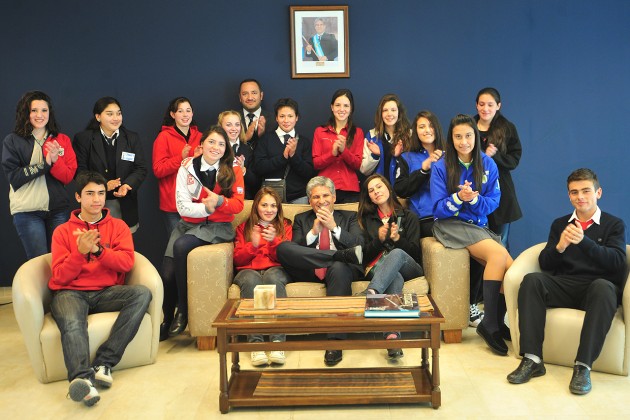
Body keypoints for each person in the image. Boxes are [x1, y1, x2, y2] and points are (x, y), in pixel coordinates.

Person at [507, 168, 626, 395]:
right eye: (574, 192)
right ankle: (532, 360)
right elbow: (546, 263)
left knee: (603, 287)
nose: (580, 197)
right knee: (532, 280)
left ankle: (583, 367)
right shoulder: (560, 224)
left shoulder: (614, 224)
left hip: (598, 288)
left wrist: (584, 242)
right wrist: (560, 246)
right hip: (566, 284)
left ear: (598, 192)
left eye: (585, 191)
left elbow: (618, 262)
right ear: (569, 196)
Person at [49, 171, 151, 407]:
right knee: (74, 324)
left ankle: (104, 362)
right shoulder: (62, 232)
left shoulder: (119, 227)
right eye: (90, 194)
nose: (96, 199)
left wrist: (98, 251)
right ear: (78, 197)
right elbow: (60, 276)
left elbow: (127, 263)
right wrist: (80, 252)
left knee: (142, 293)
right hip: (69, 292)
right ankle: (82, 381)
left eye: (101, 193)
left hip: (106, 291)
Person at [431, 114, 512, 356]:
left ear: (475, 137)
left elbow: (493, 204)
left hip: (477, 225)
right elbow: (436, 208)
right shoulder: (440, 166)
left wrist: (474, 199)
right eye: (458, 137)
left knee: (512, 268)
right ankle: (489, 324)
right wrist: (458, 198)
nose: (463, 141)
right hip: (450, 224)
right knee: (498, 255)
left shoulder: (488, 164)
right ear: (451, 139)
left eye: (468, 135)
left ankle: (496, 323)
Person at [164, 125, 244, 338]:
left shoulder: (233, 168)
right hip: (187, 224)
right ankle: (166, 319)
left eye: (221, 144)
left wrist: (219, 201)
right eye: (211, 142)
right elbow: (182, 206)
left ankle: (183, 311)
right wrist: (206, 208)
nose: (216, 147)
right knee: (167, 272)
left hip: (217, 227)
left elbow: (238, 205)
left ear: (226, 148)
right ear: (202, 144)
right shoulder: (187, 166)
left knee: (181, 246)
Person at [276, 176, 363, 366]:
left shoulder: (349, 216)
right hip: (309, 270)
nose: (321, 201)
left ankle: (334, 342)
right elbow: (295, 249)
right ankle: (335, 256)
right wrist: (313, 233)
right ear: (309, 201)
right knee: (283, 248)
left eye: (325, 195)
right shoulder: (301, 219)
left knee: (339, 266)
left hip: (340, 272)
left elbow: (358, 246)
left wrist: (334, 227)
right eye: (316, 197)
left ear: (334, 197)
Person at [2, 90, 77, 259]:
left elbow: (68, 177)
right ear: (25, 113)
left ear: (50, 113)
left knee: (61, 260)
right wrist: (45, 164)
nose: (39, 115)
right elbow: (14, 177)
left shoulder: (62, 139)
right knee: (39, 264)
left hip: (58, 210)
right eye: (34, 110)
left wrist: (56, 162)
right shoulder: (12, 140)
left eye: (44, 110)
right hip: (28, 212)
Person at [356, 174, 423, 359]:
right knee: (395, 278)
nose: (376, 192)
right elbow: (364, 257)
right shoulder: (366, 220)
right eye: (371, 190)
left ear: (388, 188)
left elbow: (416, 253)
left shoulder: (408, 216)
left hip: (410, 266)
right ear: (369, 197)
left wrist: (397, 240)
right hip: (378, 268)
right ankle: (392, 337)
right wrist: (379, 240)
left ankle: (371, 292)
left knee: (397, 253)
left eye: (379, 187)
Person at [233, 187, 293, 366]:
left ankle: (277, 343)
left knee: (272, 279)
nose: (269, 209)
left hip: (276, 268)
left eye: (273, 205)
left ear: (279, 208)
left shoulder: (285, 226)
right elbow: (237, 259)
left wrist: (274, 241)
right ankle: (256, 344)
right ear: (256, 206)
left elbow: (288, 256)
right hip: (248, 270)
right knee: (251, 281)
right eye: (264, 205)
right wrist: (253, 245)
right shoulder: (244, 227)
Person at [73, 97, 148, 233]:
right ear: (98, 117)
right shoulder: (84, 139)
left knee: (123, 246)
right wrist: (103, 185)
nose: (116, 118)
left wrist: (127, 185)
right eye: (110, 114)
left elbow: (140, 168)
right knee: (98, 246)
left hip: (126, 203)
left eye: (118, 113)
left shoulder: (131, 138)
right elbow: (80, 171)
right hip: (96, 202)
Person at [474, 87, 522, 250]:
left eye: (490, 104)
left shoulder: (507, 128)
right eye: (481, 104)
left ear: (498, 106)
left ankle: (504, 276)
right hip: (475, 192)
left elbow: (514, 160)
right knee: (479, 243)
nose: (485, 109)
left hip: (501, 193)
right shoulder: (468, 127)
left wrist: (495, 156)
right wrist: (483, 157)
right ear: (476, 105)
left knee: (500, 242)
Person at [152, 97, 203, 236]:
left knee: (196, 248)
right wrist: (181, 158)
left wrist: (199, 159)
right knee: (177, 246)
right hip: (173, 205)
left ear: (193, 113)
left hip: (197, 202)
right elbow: (158, 170)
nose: (185, 115)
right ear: (172, 114)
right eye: (180, 111)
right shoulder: (164, 137)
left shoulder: (201, 137)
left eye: (188, 110)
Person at [393, 110, 444, 238]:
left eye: (431, 125)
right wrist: (423, 170)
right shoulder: (407, 157)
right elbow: (400, 189)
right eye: (422, 127)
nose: (427, 130)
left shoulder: (449, 155)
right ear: (415, 131)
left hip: (450, 214)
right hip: (425, 218)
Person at [254, 97, 316, 204]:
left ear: (296, 117)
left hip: (299, 197)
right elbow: (259, 168)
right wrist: (283, 158)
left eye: (290, 116)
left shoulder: (304, 142)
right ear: (276, 118)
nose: (286, 120)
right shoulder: (266, 139)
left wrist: (293, 156)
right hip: (270, 198)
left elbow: (309, 172)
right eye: (282, 116)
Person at [312, 89, 364, 203]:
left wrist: (344, 151)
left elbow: (357, 164)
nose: (341, 109)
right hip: (325, 190)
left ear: (351, 109)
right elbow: (316, 163)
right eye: (338, 105)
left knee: (351, 221)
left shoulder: (358, 132)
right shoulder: (320, 131)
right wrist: (333, 153)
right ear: (332, 107)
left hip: (350, 189)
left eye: (346, 105)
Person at [360, 94, 411, 184]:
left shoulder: (410, 135)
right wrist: (375, 156)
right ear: (380, 114)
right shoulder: (372, 136)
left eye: (393, 110)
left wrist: (398, 157)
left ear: (399, 113)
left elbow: (414, 167)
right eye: (385, 110)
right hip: (379, 192)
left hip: (403, 193)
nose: (389, 114)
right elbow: (364, 170)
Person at [218, 110, 257, 199]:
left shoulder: (247, 150)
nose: (234, 128)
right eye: (228, 125)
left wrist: (243, 170)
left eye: (237, 124)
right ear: (220, 127)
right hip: (220, 199)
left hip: (244, 200)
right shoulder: (215, 149)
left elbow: (256, 183)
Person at [239, 79, 272, 149]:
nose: (250, 98)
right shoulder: (230, 120)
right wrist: (244, 139)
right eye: (245, 94)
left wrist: (262, 136)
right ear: (240, 98)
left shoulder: (275, 120)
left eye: (254, 93)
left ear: (261, 95)